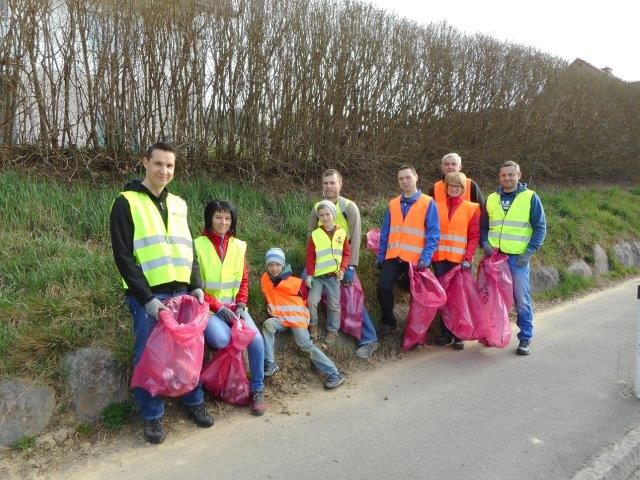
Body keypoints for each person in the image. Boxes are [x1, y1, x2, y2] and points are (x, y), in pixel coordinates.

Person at [109, 141, 213, 444]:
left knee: (188, 352)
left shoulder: (179, 204)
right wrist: (147, 300)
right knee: (148, 355)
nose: (164, 170)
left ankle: (193, 401)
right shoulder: (126, 202)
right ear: (145, 162)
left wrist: (197, 286)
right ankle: (151, 415)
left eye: (169, 165)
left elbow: (188, 248)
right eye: (158, 164)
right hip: (149, 296)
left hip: (183, 293)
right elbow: (123, 256)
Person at [194, 200, 267, 415]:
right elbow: (195, 285)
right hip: (208, 308)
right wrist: (217, 307)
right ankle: (221, 382)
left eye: (227, 218)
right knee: (223, 339)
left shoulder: (238, 245)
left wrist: (242, 303)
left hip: (235, 307)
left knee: (256, 340)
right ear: (209, 218)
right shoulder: (197, 245)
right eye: (218, 217)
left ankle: (257, 389)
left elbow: (244, 280)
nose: (223, 222)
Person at [306, 169, 380, 358]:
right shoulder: (317, 208)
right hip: (321, 263)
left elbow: (355, 239)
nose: (329, 186)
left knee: (352, 294)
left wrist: (350, 267)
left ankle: (369, 339)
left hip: (342, 264)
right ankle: (305, 328)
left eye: (332, 182)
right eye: (325, 183)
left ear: (340, 184)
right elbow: (310, 234)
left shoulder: (349, 207)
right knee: (302, 286)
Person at [480, 160, 546, 355]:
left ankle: (525, 337)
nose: (507, 178)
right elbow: (483, 226)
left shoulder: (530, 197)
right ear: (499, 177)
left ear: (519, 175)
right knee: (491, 298)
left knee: (521, 300)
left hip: (517, 260)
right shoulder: (491, 198)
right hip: (494, 259)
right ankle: (492, 333)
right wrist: (485, 243)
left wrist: (529, 252)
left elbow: (540, 227)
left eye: (511, 175)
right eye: (503, 175)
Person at [260, 248, 345, 389]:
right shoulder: (265, 280)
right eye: (270, 265)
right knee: (268, 324)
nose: (274, 268)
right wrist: (269, 306)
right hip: (281, 319)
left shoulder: (296, 282)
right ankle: (270, 363)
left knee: (306, 346)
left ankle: (334, 373)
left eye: (277, 265)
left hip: (297, 319)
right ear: (266, 266)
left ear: (283, 265)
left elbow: (305, 301)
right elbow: (271, 296)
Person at [376, 164, 440, 338]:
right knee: (383, 286)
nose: (404, 182)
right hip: (394, 256)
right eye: (401, 179)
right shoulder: (393, 203)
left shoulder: (428, 202)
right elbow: (385, 232)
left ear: (416, 177)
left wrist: (426, 257)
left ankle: (417, 330)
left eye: (408, 178)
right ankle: (389, 323)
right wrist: (381, 256)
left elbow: (433, 234)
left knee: (416, 293)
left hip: (416, 260)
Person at [432, 172, 480, 350]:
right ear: (446, 188)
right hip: (439, 259)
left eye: (457, 186)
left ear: (463, 188)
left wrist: (467, 258)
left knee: (458, 298)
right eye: (451, 186)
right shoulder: (435, 206)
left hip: (459, 261)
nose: (453, 188)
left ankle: (459, 334)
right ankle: (446, 333)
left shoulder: (472, 208)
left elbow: (474, 236)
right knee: (443, 298)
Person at [306, 200, 350, 346]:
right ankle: (312, 325)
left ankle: (332, 330)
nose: (325, 218)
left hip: (334, 276)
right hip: (318, 277)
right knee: (311, 301)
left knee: (334, 305)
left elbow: (346, 254)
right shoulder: (315, 234)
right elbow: (310, 257)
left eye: (327, 214)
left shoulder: (342, 233)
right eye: (321, 215)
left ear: (334, 214)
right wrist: (310, 275)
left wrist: (343, 269)